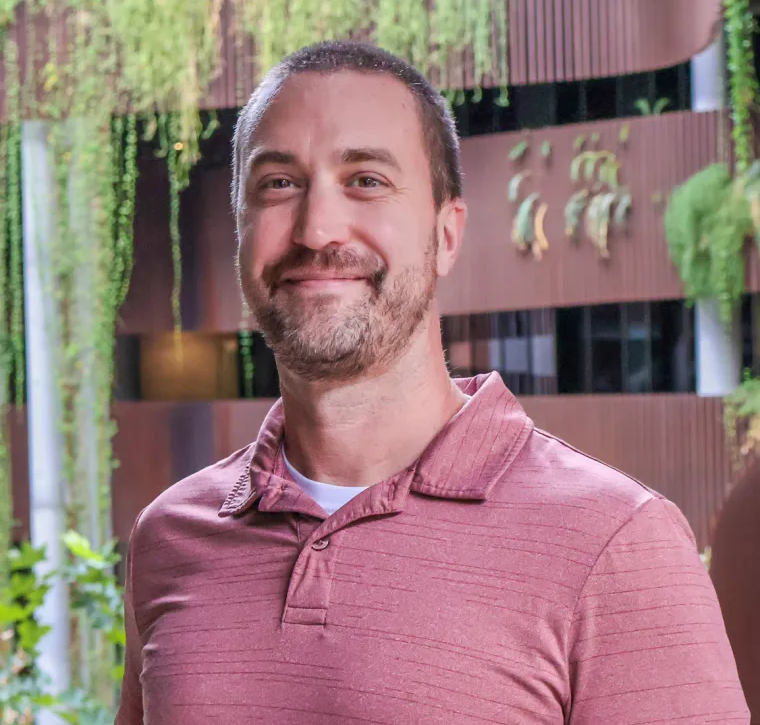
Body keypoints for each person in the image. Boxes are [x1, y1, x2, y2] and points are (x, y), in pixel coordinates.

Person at [116, 41, 750, 725]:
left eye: (366, 179)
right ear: (240, 232)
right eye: (278, 184)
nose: (317, 228)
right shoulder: (170, 538)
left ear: (447, 234)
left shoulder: (618, 544)